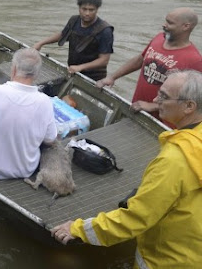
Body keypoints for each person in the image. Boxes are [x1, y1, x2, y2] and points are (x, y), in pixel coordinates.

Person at [51, 70, 202, 268]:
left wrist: (78, 229)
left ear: (189, 106)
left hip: (169, 260)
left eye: (164, 97)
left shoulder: (175, 160)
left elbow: (137, 218)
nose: (156, 99)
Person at [96, 7, 202, 122]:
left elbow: (192, 101)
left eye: (170, 23)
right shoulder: (158, 38)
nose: (164, 25)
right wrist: (112, 77)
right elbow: (140, 59)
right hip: (136, 108)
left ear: (186, 26)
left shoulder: (194, 59)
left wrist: (152, 106)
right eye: (166, 20)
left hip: (163, 121)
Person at [0, 48, 57, 179]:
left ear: (13, 69)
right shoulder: (45, 102)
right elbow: (50, 140)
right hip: (24, 171)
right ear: (36, 75)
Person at [33, 0, 114, 81]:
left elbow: (103, 60)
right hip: (73, 70)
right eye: (84, 9)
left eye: (91, 10)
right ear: (79, 8)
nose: (87, 13)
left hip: (94, 77)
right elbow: (63, 35)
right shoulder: (74, 20)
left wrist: (81, 67)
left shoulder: (105, 30)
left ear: (97, 10)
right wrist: (41, 43)